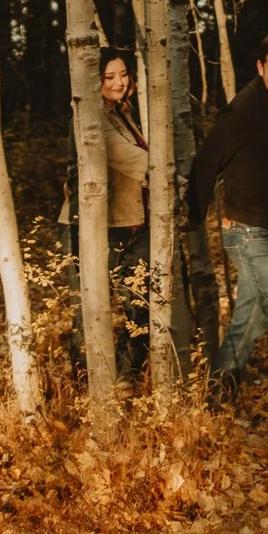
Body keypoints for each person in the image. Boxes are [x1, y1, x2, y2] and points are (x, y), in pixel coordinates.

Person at [185, 31, 268, 426]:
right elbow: (206, 163)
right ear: (259, 68)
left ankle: (214, 404)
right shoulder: (244, 111)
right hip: (250, 234)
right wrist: (192, 216)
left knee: (248, 323)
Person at [100, 47, 152, 378]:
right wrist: (175, 174)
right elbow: (131, 159)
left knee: (141, 307)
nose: (119, 82)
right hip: (112, 226)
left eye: (123, 74)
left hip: (136, 221)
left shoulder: (121, 112)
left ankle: (128, 377)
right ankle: (108, 380)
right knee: (106, 311)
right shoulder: (94, 119)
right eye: (109, 77)